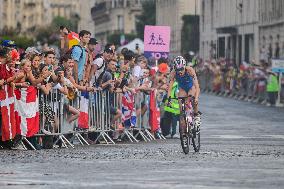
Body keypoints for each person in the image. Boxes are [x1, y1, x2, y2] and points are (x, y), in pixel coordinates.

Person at [167, 56, 201, 136]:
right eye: (178, 70)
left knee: (191, 98)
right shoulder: (173, 73)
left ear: (184, 66)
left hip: (191, 87)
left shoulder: (190, 70)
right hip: (182, 88)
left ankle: (196, 115)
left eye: (181, 70)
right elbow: (169, 88)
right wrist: (169, 99)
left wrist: (196, 98)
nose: (180, 72)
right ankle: (184, 130)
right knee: (181, 108)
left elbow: (197, 87)